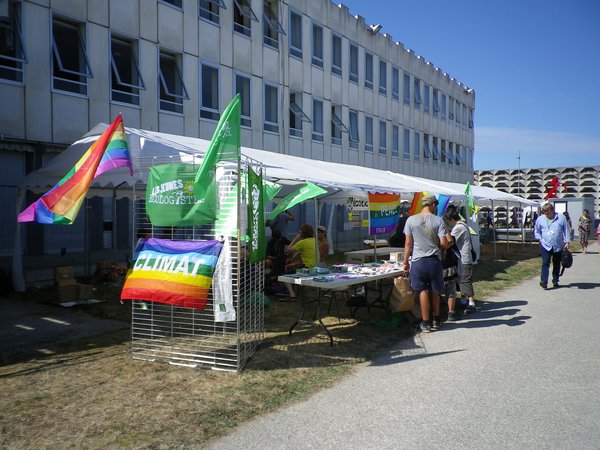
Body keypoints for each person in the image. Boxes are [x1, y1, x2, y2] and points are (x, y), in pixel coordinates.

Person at [402, 195, 452, 332]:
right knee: (435, 291)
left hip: (418, 261)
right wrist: (448, 243)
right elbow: (443, 243)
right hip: (434, 261)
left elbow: (408, 244)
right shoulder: (438, 220)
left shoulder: (411, 220)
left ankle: (426, 323)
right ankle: (436, 319)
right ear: (433, 205)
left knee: (422, 291)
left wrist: (405, 262)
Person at [445, 209, 477, 318]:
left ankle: (471, 303)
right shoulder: (464, 225)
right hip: (465, 257)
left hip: (464, 258)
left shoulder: (458, 228)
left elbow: (450, 240)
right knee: (462, 279)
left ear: (451, 219)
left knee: (465, 280)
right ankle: (464, 302)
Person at [534, 203, 571, 289]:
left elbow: (566, 230)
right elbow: (537, 231)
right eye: (544, 212)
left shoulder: (561, 217)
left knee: (556, 263)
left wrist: (567, 242)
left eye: (547, 212)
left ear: (552, 210)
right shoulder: (540, 219)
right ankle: (544, 281)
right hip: (545, 245)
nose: (546, 213)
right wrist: (540, 239)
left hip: (558, 245)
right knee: (545, 262)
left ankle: (555, 280)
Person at [282, 224, 317, 299]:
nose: (299, 232)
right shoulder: (315, 240)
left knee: (284, 276)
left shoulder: (302, 242)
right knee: (294, 268)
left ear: (303, 233)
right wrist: (299, 253)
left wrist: (296, 238)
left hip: (306, 269)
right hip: (316, 267)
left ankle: (292, 295)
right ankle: (298, 290)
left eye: (300, 230)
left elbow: (287, 251)